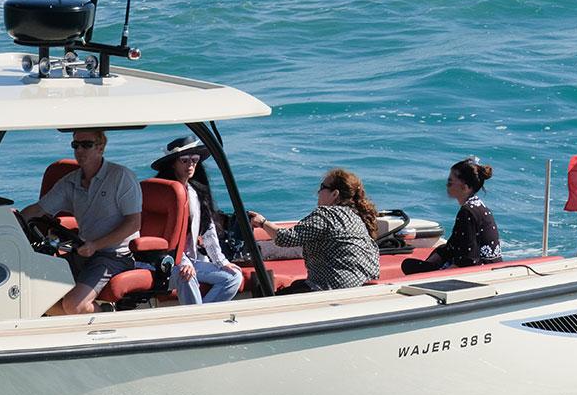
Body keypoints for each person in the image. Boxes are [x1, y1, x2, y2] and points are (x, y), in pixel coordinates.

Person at [22, 130, 142, 314]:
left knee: (74, 304)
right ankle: (75, 328)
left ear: (101, 147)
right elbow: (38, 210)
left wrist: (96, 245)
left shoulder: (121, 177)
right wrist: (11, 224)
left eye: (86, 145)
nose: (80, 150)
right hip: (82, 252)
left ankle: (110, 321)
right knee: (35, 296)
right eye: (75, 145)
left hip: (114, 256)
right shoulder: (70, 182)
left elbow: (133, 224)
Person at [248, 168, 380, 294]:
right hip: (357, 286)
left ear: (335, 194)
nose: (318, 192)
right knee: (297, 285)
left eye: (322, 187)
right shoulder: (356, 218)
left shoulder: (327, 214)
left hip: (330, 289)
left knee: (264, 290)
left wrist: (262, 223)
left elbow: (285, 238)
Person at [152, 136, 242, 305]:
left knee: (233, 276)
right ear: (173, 164)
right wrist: (183, 262)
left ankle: (201, 317)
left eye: (194, 160)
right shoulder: (162, 193)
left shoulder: (195, 192)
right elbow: (165, 235)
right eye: (184, 160)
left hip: (191, 259)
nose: (191, 165)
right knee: (187, 274)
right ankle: (197, 320)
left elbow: (208, 229)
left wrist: (221, 261)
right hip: (164, 260)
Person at [402, 156, 501, 275]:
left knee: (409, 266)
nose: (446, 186)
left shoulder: (467, 211)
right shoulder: (478, 206)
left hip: (480, 271)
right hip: (492, 265)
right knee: (420, 261)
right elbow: (452, 246)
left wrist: (437, 276)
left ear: (465, 187)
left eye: (450, 182)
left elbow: (468, 259)